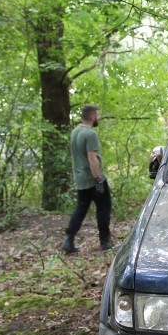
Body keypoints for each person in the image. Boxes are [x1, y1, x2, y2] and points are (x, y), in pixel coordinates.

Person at [61, 104, 115, 253]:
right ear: (92, 116)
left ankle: (68, 240)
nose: (97, 117)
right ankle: (105, 242)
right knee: (104, 208)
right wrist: (98, 180)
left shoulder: (75, 132)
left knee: (81, 209)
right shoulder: (91, 134)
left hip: (80, 179)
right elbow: (92, 158)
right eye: (96, 115)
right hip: (93, 178)